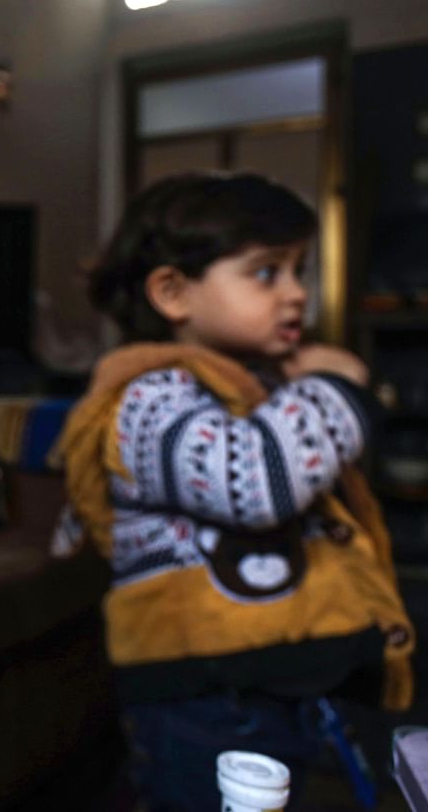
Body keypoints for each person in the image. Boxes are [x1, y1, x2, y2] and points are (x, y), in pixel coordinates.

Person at [53, 171, 415, 810]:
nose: (297, 294)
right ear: (172, 292)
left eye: (299, 271)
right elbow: (256, 482)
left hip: (277, 679)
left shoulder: (256, 387)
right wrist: (340, 387)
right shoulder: (145, 397)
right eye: (266, 273)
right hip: (207, 696)